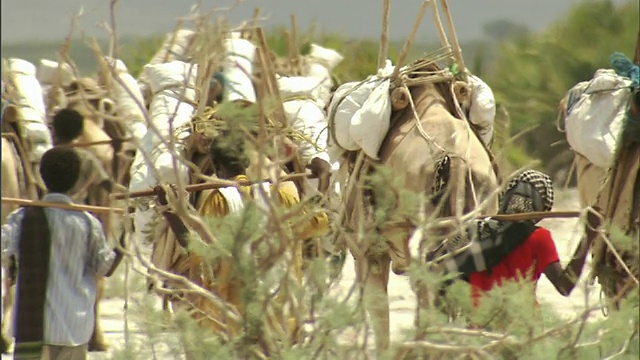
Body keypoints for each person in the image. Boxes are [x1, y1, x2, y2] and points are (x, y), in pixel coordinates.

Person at [154, 133, 327, 342]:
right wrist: (324, 181)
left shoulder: (218, 200)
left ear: (215, 165)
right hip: (283, 315)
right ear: (247, 161)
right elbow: (317, 222)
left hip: (235, 320)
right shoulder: (282, 195)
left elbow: (200, 251)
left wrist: (169, 209)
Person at [1, 147, 125, 360]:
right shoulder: (88, 223)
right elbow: (105, 267)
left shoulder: (21, 218)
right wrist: (124, 237)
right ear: (78, 179)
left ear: (42, 176)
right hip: (75, 328)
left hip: (32, 328)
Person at [438, 170, 602, 308]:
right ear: (542, 205)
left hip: (478, 329)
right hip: (522, 327)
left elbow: (440, 274)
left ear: (507, 196)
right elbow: (564, 286)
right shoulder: (539, 238)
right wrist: (588, 236)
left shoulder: (474, 231)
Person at [51, 108, 122, 206]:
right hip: (77, 210)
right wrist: (126, 193)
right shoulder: (86, 158)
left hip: (48, 207)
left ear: (54, 130)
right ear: (80, 132)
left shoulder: (47, 156)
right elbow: (105, 183)